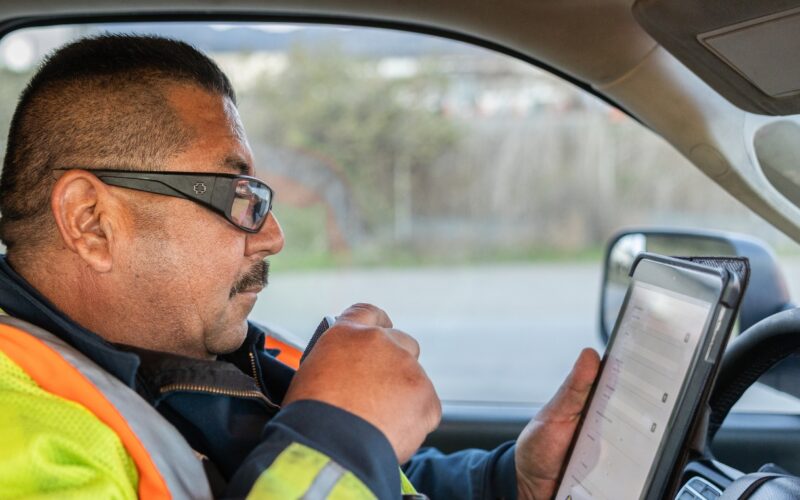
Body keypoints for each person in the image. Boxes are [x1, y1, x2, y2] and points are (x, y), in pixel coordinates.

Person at [0, 34, 600, 499]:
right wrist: (337, 437)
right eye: (236, 197)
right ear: (90, 222)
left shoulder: (194, 357)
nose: (273, 237)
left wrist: (504, 483)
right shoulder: (21, 438)